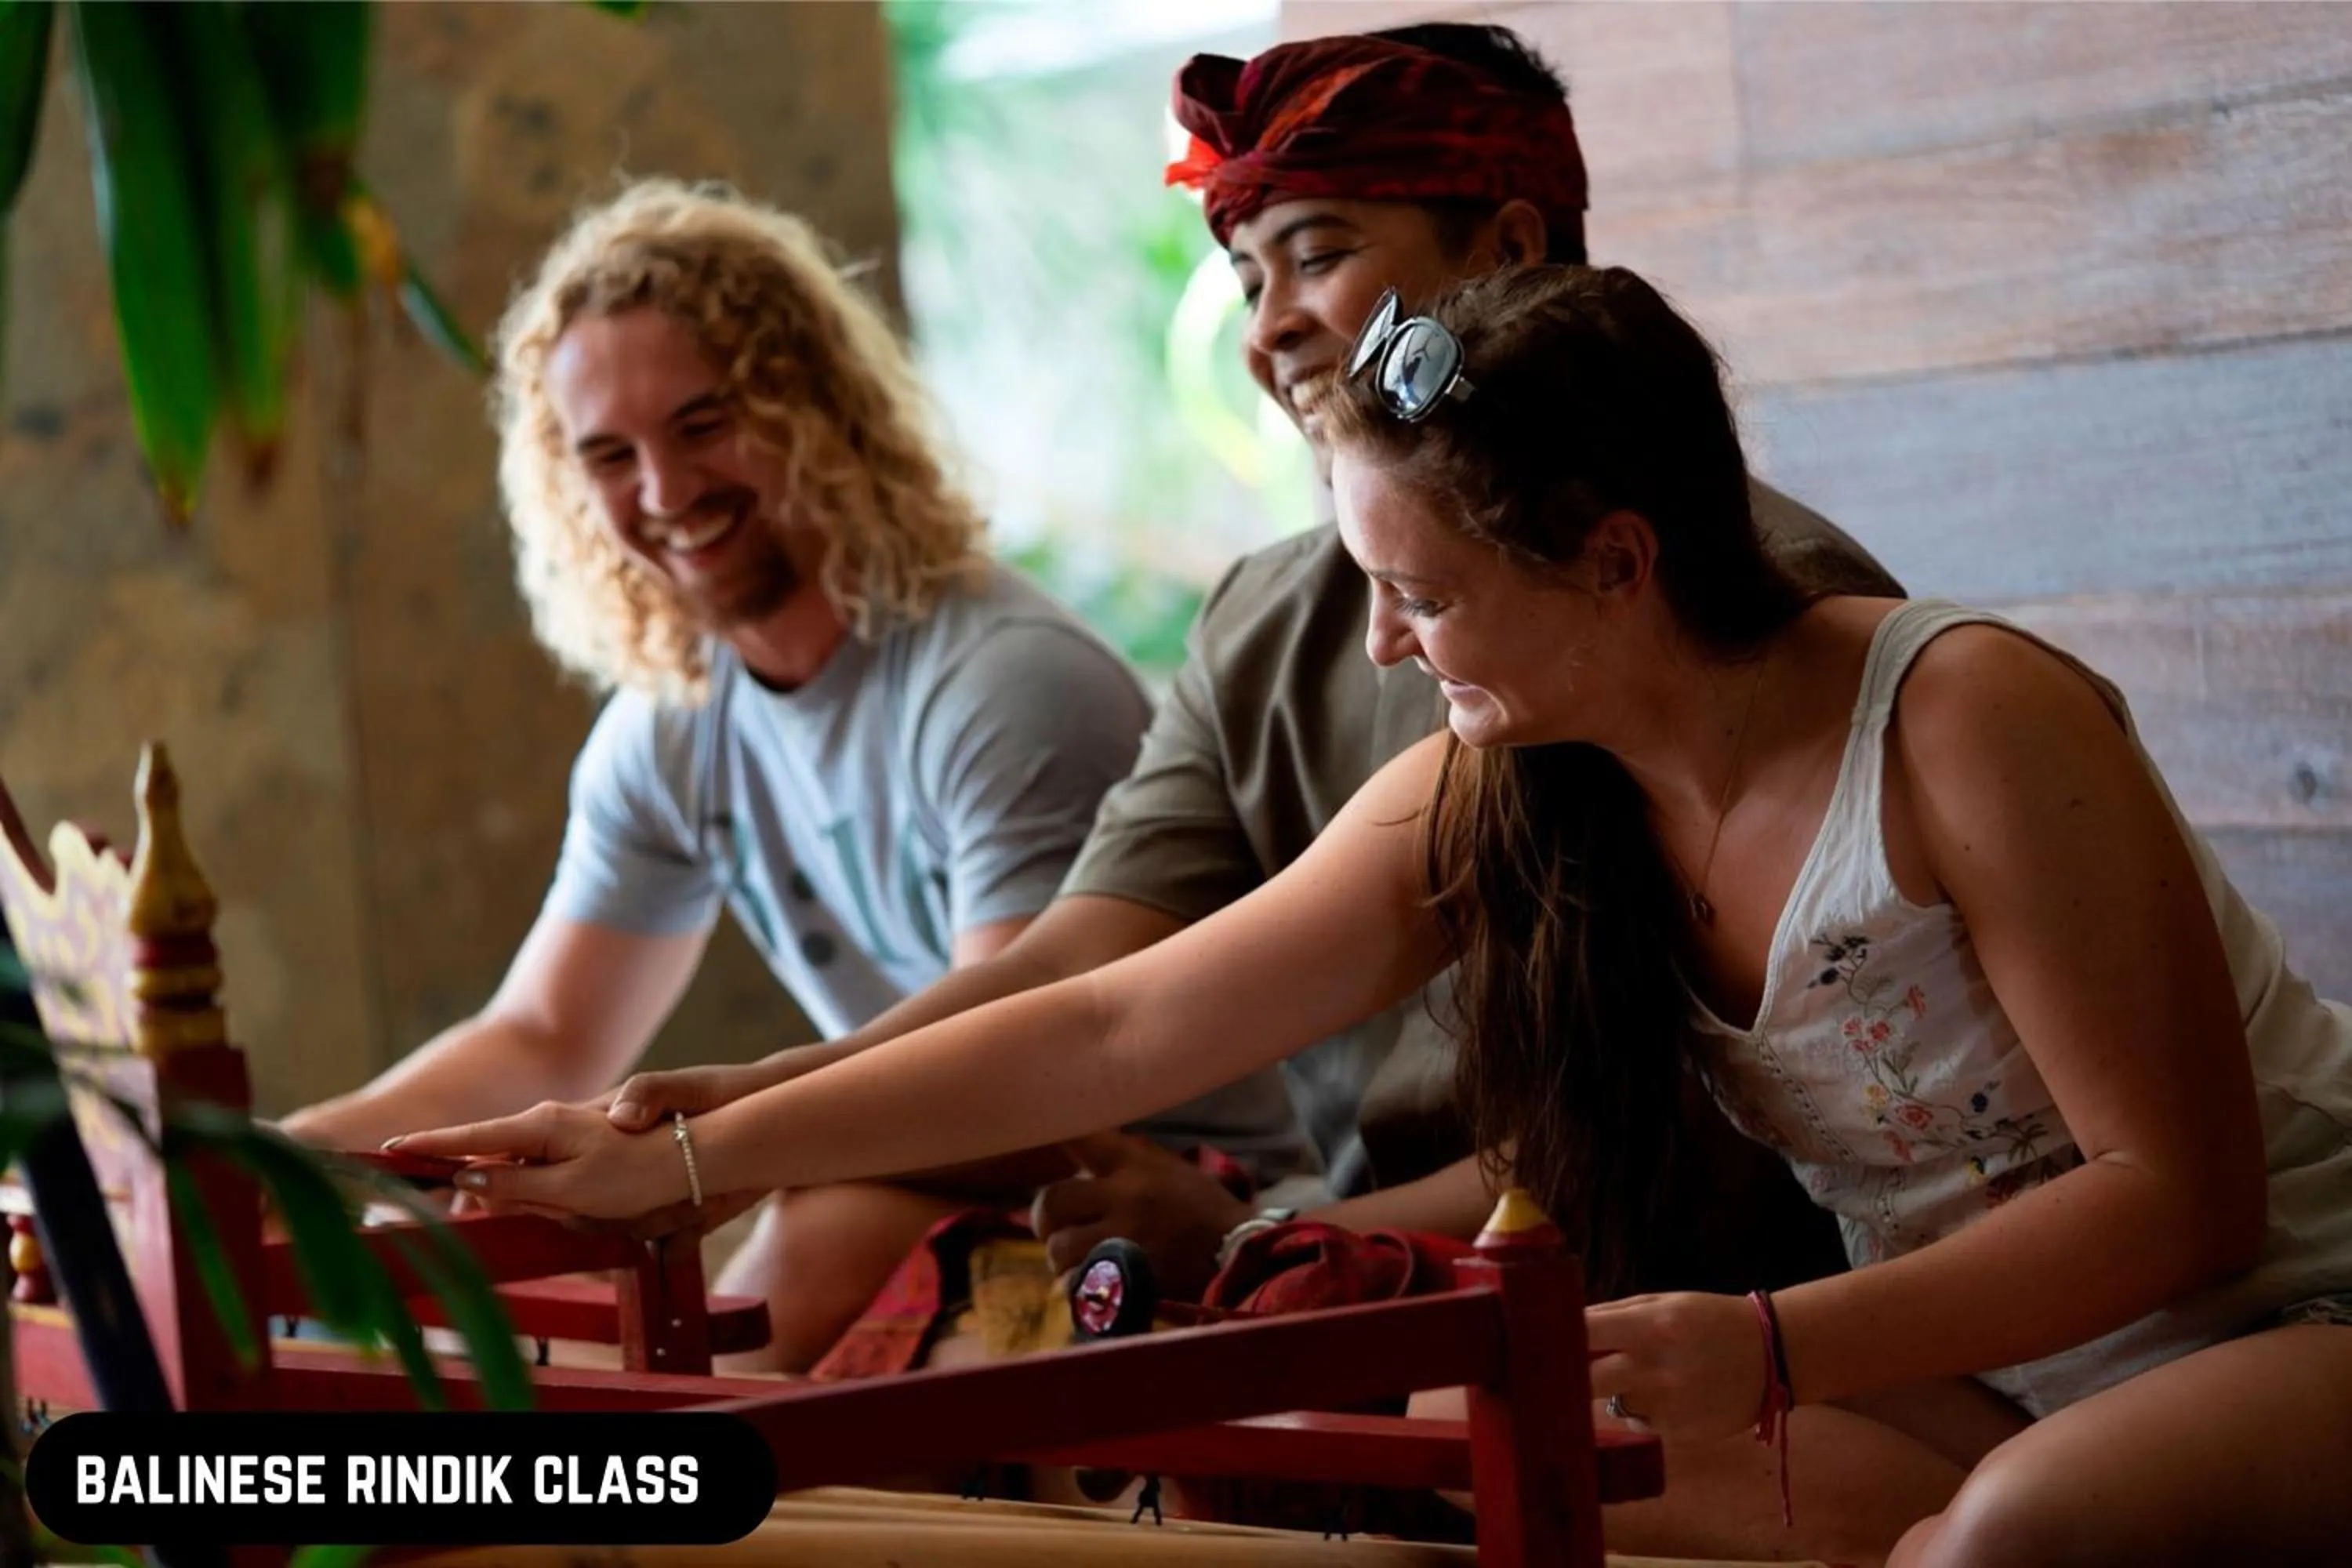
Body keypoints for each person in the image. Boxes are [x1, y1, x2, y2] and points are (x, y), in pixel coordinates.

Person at [399, 263, 2352, 1567]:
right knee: (1442, 1454)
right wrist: (693, 1156)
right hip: (1951, 1372)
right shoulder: (1508, 776)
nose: (1380, 643)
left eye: (1419, 596)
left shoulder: (1961, 714)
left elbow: (2183, 1201)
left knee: (1995, 1546)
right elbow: (1117, 1026)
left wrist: (1768, 1345)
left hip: (2268, 1328)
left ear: (1613, 564)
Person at [596, 24, 1903, 1314]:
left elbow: (1677, 1133)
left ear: (1507, 250)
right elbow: (1091, 995)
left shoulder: (1740, 605)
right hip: (1382, 1298)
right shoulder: (1268, 617)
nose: (1271, 327)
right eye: (1243, 282)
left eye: (1318, 257)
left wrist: (1276, 1243)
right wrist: (747, 1113)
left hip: (1696, 1326)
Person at [282, 177, 1307, 1368]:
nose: (663, 493)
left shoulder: (1004, 684)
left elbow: (1042, 1080)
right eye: (610, 455)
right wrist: (283, 1158)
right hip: (900, 1152)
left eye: (705, 424)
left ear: (817, 407)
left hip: (1153, 1191)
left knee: (787, 1253)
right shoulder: (671, 725)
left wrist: (700, 1149)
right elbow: (545, 1034)